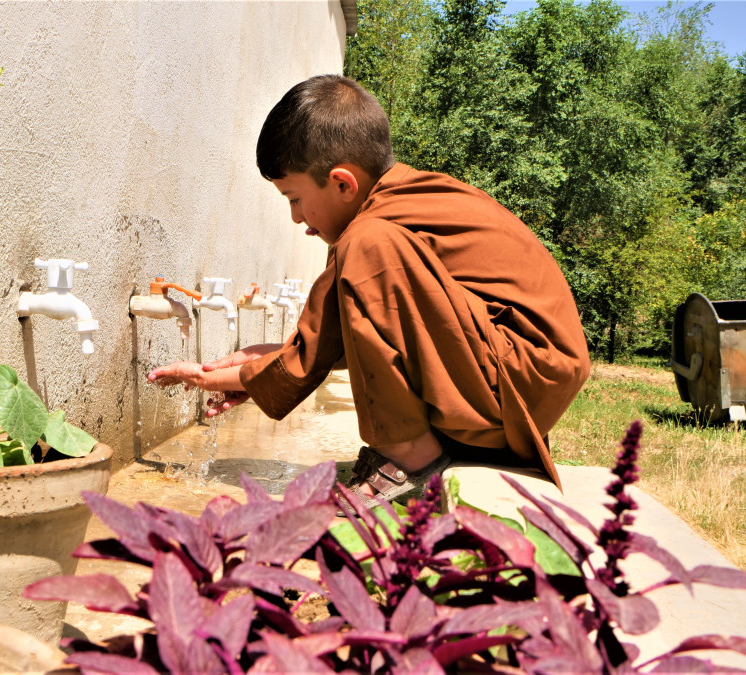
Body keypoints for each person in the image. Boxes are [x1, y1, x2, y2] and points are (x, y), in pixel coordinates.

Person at [148, 74, 590, 510]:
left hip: (519, 380)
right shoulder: (394, 203)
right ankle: (421, 445)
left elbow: (315, 353)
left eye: (294, 198)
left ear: (343, 183)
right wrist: (269, 358)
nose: (295, 217)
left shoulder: (371, 232)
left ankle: (409, 454)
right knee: (365, 243)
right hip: (512, 375)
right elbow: (361, 334)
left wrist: (234, 377)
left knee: (366, 243)